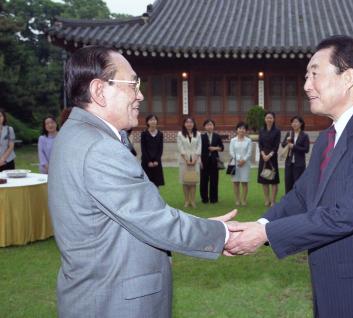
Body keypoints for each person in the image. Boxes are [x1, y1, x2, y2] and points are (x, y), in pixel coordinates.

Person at [226, 35, 353, 318]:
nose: (306, 86)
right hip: (330, 284)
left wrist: (266, 234)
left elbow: (346, 214)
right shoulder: (328, 137)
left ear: (348, 77)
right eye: (305, 76)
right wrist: (260, 224)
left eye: (314, 75)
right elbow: (302, 195)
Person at [48, 46, 236, 318]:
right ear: (99, 91)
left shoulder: (75, 134)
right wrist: (223, 234)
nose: (140, 94)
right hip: (115, 303)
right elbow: (155, 221)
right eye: (133, 84)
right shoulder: (99, 148)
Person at [177, 116, 201, 208]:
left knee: (193, 181)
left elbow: (199, 147)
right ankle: (187, 200)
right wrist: (186, 159)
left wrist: (195, 159)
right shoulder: (180, 134)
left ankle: (192, 200)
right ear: (184, 124)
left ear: (194, 124)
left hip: (195, 160)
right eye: (187, 122)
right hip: (184, 160)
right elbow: (180, 147)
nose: (189, 124)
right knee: (185, 181)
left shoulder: (198, 134)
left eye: (191, 122)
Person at [257, 111, 281, 206]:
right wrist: (263, 154)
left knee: (273, 180)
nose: (269, 119)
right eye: (267, 118)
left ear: (273, 119)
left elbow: (276, 146)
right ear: (265, 119)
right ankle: (266, 199)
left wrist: (269, 155)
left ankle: (273, 200)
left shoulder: (277, 131)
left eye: (271, 118)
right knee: (264, 179)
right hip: (263, 156)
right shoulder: (261, 130)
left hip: (272, 157)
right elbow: (260, 144)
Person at [281, 116, 310, 193]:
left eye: (296, 122)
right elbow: (283, 145)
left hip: (299, 164)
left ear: (301, 124)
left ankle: (298, 202)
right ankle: (288, 201)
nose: (294, 124)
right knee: (288, 183)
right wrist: (287, 142)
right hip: (289, 163)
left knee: (298, 183)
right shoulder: (289, 133)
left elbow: (306, 149)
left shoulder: (304, 136)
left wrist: (294, 146)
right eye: (293, 122)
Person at [200, 119, 224, 203]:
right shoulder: (201, 137)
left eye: (211, 125)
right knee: (203, 180)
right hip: (204, 161)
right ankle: (204, 198)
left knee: (214, 180)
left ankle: (214, 199)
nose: (209, 126)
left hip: (214, 161)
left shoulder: (217, 136)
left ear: (213, 126)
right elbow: (199, 150)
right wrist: (200, 161)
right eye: (207, 125)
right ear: (204, 127)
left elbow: (222, 148)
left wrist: (215, 148)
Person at [229, 122, 252, 206]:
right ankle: (237, 200)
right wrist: (238, 159)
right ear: (237, 130)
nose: (241, 130)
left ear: (246, 130)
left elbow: (249, 153)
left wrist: (243, 160)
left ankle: (244, 200)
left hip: (245, 164)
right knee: (236, 182)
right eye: (240, 128)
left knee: (244, 182)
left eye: (243, 128)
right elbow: (231, 152)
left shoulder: (248, 140)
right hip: (235, 163)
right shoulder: (233, 140)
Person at [141, 114, 164, 187]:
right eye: (151, 120)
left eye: (154, 119)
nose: (153, 121)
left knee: (156, 183)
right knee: (146, 183)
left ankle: (155, 198)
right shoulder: (144, 133)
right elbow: (143, 149)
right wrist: (149, 161)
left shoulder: (160, 134)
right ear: (147, 122)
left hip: (157, 162)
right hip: (146, 162)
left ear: (157, 121)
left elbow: (160, 149)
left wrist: (157, 160)